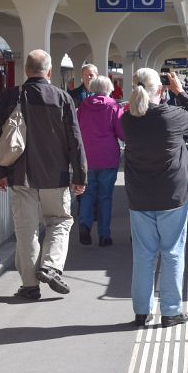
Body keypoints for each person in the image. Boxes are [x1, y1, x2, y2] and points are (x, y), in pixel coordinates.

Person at [0, 49, 87, 300]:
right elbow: (75, 139)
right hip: (56, 175)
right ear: (49, 72)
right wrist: (80, 176)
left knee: (26, 230)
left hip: (19, 175)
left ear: (26, 71)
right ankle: (51, 266)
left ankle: (30, 286)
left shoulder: (10, 96)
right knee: (59, 221)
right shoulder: (62, 98)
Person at [122, 69, 188, 328]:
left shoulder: (127, 120)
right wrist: (180, 91)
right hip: (171, 196)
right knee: (172, 253)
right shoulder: (171, 116)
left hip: (140, 197)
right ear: (160, 89)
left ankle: (141, 312)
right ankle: (170, 312)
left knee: (143, 255)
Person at [76, 75, 124, 247]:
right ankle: (104, 235)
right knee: (105, 197)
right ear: (109, 88)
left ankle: (84, 224)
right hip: (108, 157)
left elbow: (77, 129)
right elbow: (121, 132)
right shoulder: (113, 106)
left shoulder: (83, 106)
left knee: (87, 193)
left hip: (87, 157)